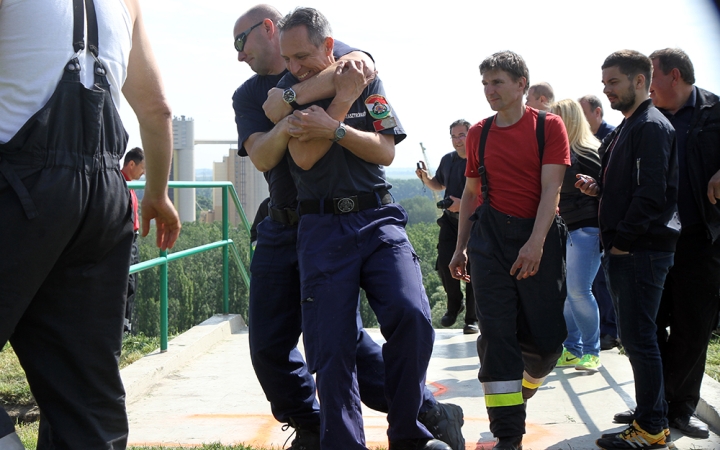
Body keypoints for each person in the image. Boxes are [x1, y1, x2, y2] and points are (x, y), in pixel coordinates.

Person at [232, 5, 462, 450]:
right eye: (290, 58)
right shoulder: (273, 93)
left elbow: (385, 145)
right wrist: (328, 98)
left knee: (400, 322)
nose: (239, 55)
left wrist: (332, 116)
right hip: (295, 226)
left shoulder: (357, 69)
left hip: (370, 216)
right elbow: (285, 154)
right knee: (311, 346)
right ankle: (321, 431)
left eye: (241, 43)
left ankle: (420, 420)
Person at [0, 0, 181, 447]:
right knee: (84, 392)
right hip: (103, 199)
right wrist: (157, 193)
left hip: (17, 187)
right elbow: (157, 108)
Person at [449, 51, 570, 450]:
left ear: (521, 84)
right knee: (496, 336)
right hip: (489, 242)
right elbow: (469, 194)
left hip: (539, 236)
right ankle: (508, 435)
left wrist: (535, 244)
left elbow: (551, 190)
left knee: (548, 340)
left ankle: (529, 382)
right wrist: (460, 247)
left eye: (497, 82)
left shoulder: (549, 127)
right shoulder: (478, 133)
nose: (489, 91)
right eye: (485, 83)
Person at [610, 48, 720, 440]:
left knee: (692, 326)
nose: (646, 84)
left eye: (651, 76)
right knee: (648, 327)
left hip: (700, 240)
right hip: (655, 240)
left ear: (674, 76)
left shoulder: (714, 111)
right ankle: (651, 406)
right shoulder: (643, 119)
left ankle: (680, 407)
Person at [576, 49, 679, 450]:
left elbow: (653, 196)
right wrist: (599, 187)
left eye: (613, 82)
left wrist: (621, 244)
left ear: (641, 81)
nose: (607, 90)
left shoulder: (650, 126)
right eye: (604, 83)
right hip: (633, 248)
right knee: (641, 336)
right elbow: (630, 189)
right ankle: (648, 411)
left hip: (640, 250)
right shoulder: (629, 126)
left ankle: (652, 427)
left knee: (640, 338)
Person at [550, 99, 603, 372]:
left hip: (586, 228)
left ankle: (592, 352)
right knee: (570, 293)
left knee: (579, 291)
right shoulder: (564, 151)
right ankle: (572, 350)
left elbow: (605, 190)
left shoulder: (588, 152)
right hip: (568, 229)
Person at [415, 120, 478, 335]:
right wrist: (425, 178)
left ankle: (472, 319)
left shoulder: (480, 160)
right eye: (454, 136)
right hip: (450, 221)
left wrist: (464, 205)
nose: (458, 140)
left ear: (471, 135)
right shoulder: (448, 160)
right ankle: (454, 305)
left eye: (462, 135)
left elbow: (491, 194)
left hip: (475, 222)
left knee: (472, 269)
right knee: (444, 262)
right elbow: (439, 184)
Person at [578, 94, 619, 351]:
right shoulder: (584, 141)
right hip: (589, 218)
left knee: (602, 280)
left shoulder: (611, 137)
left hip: (607, 219)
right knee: (591, 281)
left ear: (598, 113)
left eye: (584, 115)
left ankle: (610, 331)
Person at [121, 147, 146, 334]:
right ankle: (123, 328)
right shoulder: (122, 185)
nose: (144, 172)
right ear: (131, 164)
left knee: (132, 283)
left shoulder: (129, 185)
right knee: (127, 284)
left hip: (133, 240)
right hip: (126, 241)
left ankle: (127, 326)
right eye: (142, 167)